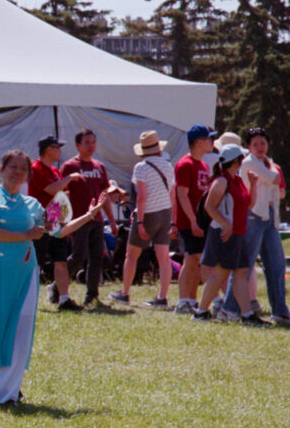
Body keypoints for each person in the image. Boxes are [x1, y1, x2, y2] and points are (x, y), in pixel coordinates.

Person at [0, 150, 110, 405]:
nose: (17, 173)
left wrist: (90, 215)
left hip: (25, 274)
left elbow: (58, 231)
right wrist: (26, 236)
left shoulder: (32, 204)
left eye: (22, 169)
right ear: (1, 169)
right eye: (12, 167)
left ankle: (11, 390)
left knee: (20, 331)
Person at [217, 127, 290, 325]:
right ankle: (229, 309)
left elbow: (280, 190)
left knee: (276, 264)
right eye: (255, 144)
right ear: (248, 147)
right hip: (253, 215)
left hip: (270, 216)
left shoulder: (268, 163)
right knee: (244, 265)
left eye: (263, 143)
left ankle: (280, 310)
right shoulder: (250, 162)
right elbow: (275, 179)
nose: (260, 147)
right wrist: (271, 175)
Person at [192, 143, 270, 326]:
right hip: (225, 234)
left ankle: (247, 315)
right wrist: (226, 225)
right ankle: (201, 312)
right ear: (236, 161)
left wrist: (253, 185)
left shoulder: (236, 179)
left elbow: (248, 205)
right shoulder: (221, 181)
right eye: (241, 158)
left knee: (240, 272)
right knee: (220, 274)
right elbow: (209, 206)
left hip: (237, 233)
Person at [110, 131, 176, 308]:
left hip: (148, 214)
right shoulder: (168, 166)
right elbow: (172, 193)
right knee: (163, 257)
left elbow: (141, 197)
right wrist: (173, 219)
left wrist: (139, 222)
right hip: (165, 213)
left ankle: (124, 293)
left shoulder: (141, 167)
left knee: (131, 255)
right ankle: (162, 297)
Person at [61, 129, 118, 308]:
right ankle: (57, 286)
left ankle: (92, 295)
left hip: (97, 220)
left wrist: (112, 221)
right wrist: (62, 220)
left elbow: (105, 196)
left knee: (96, 258)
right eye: (87, 142)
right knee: (78, 255)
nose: (91, 146)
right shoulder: (70, 167)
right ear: (78, 145)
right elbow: (61, 195)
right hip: (78, 220)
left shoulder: (99, 167)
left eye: (93, 142)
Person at [27, 135, 85, 311]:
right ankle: (29, 299)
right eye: (57, 147)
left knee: (60, 261)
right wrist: (69, 179)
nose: (60, 151)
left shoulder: (55, 171)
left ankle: (64, 299)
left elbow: (63, 194)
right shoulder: (35, 168)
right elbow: (52, 189)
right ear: (48, 149)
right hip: (39, 221)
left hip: (55, 219)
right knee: (36, 262)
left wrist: (62, 186)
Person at [171, 125, 216, 314]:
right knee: (191, 259)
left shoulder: (203, 165)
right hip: (189, 221)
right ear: (199, 142)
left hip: (201, 221)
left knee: (196, 259)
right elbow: (181, 195)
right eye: (209, 139)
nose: (212, 142)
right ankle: (183, 300)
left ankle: (191, 299)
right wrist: (192, 220)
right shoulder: (185, 164)